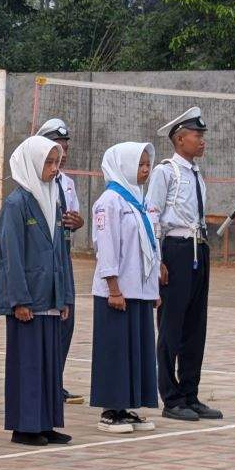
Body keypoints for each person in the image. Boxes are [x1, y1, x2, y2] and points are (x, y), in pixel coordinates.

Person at [146, 107, 221, 422]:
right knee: (171, 325)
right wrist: (157, 258)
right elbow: (152, 215)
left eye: (202, 135)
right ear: (179, 139)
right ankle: (171, 396)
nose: (202, 141)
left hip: (198, 248)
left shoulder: (196, 174)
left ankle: (190, 392)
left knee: (195, 325)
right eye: (197, 135)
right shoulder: (166, 172)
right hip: (175, 249)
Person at [0, 135, 72, 447]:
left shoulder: (54, 198)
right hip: (29, 299)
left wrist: (65, 294)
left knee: (49, 363)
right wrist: (19, 299)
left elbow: (61, 252)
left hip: (51, 295)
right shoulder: (16, 203)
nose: (55, 169)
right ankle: (24, 425)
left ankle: (45, 421)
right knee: (27, 363)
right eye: (48, 163)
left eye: (57, 163)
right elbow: (10, 257)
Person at [90, 142, 161, 435]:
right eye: (139, 165)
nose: (145, 170)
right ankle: (110, 409)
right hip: (118, 291)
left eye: (147, 165)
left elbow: (152, 246)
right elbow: (106, 247)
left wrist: (154, 287)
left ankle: (129, 404)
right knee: (115, 349)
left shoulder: (139, 200)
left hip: (140, 289)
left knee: (137, 350)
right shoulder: (109, 202)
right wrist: (114, 288)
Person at [38, 119, 84, 403]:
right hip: (44, 257)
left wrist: (77, 222)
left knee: (67, 318)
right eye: (58, 147)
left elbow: (74, 217)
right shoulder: (35, 180)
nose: (63, 153)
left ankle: (56, 379)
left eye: (65, 147)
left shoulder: (67, 183)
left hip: (64, 254)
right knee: (48, 317)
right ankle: (43, 380)